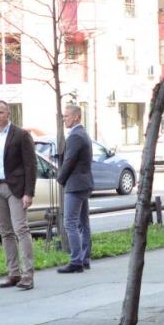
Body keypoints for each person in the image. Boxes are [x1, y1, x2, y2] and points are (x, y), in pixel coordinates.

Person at [0, 99, 37, 290]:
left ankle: (28, 275)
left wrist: (29, 192)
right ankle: (13, 273)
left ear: (8, 114)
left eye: (0, 112)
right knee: (5, 232)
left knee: (21, 229)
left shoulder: (21, 135)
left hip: (17, 189)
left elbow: (31, 165)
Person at [56, 103, 93, 273]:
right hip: (84, 183)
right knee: (83, 223)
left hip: (75, 184)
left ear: (76, 117)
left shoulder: (75, 136)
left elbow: (69, 161)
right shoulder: (83, 133)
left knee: (70, 222)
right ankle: (84, 259)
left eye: (67, 116)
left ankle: (76, 261)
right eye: (64, 116)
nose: (64, 119)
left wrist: (60, 179)